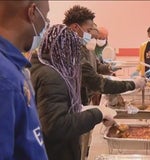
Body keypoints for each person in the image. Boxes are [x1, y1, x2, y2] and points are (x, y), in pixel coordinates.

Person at [30, 24, 115, 160]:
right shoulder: (52, 76)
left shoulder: (41, 67)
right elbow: (56, 125)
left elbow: (53, 109)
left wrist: (85, 110)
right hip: (56, 152)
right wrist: (98, 114)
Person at [63, 5, 146, 105]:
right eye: (89, 30)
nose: (91, 35)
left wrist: (109, 68)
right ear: (76, 27)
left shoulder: (86, 47)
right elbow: (98, 83)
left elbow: (96, 66)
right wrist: (133, 84)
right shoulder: (70, 52)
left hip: (84, 100)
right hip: (74, 103)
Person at [0, 1, 49, 159]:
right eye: (46, 17)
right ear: (32, 12)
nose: (45, 26)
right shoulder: (6, 80)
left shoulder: (12, 66)